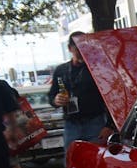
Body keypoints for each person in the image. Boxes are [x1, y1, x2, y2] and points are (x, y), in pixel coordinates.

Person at [48, 31, 114, 159]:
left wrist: (109, 125)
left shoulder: (97, 68)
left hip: (95, 122)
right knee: (72, 161)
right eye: (78, 48)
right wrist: (56, 100)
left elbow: (110, 99)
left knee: (95, 160)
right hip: (71, 124)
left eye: (85, 47)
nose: (82, 51)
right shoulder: (61, 70)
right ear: (70, 49)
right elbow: (51, 95)